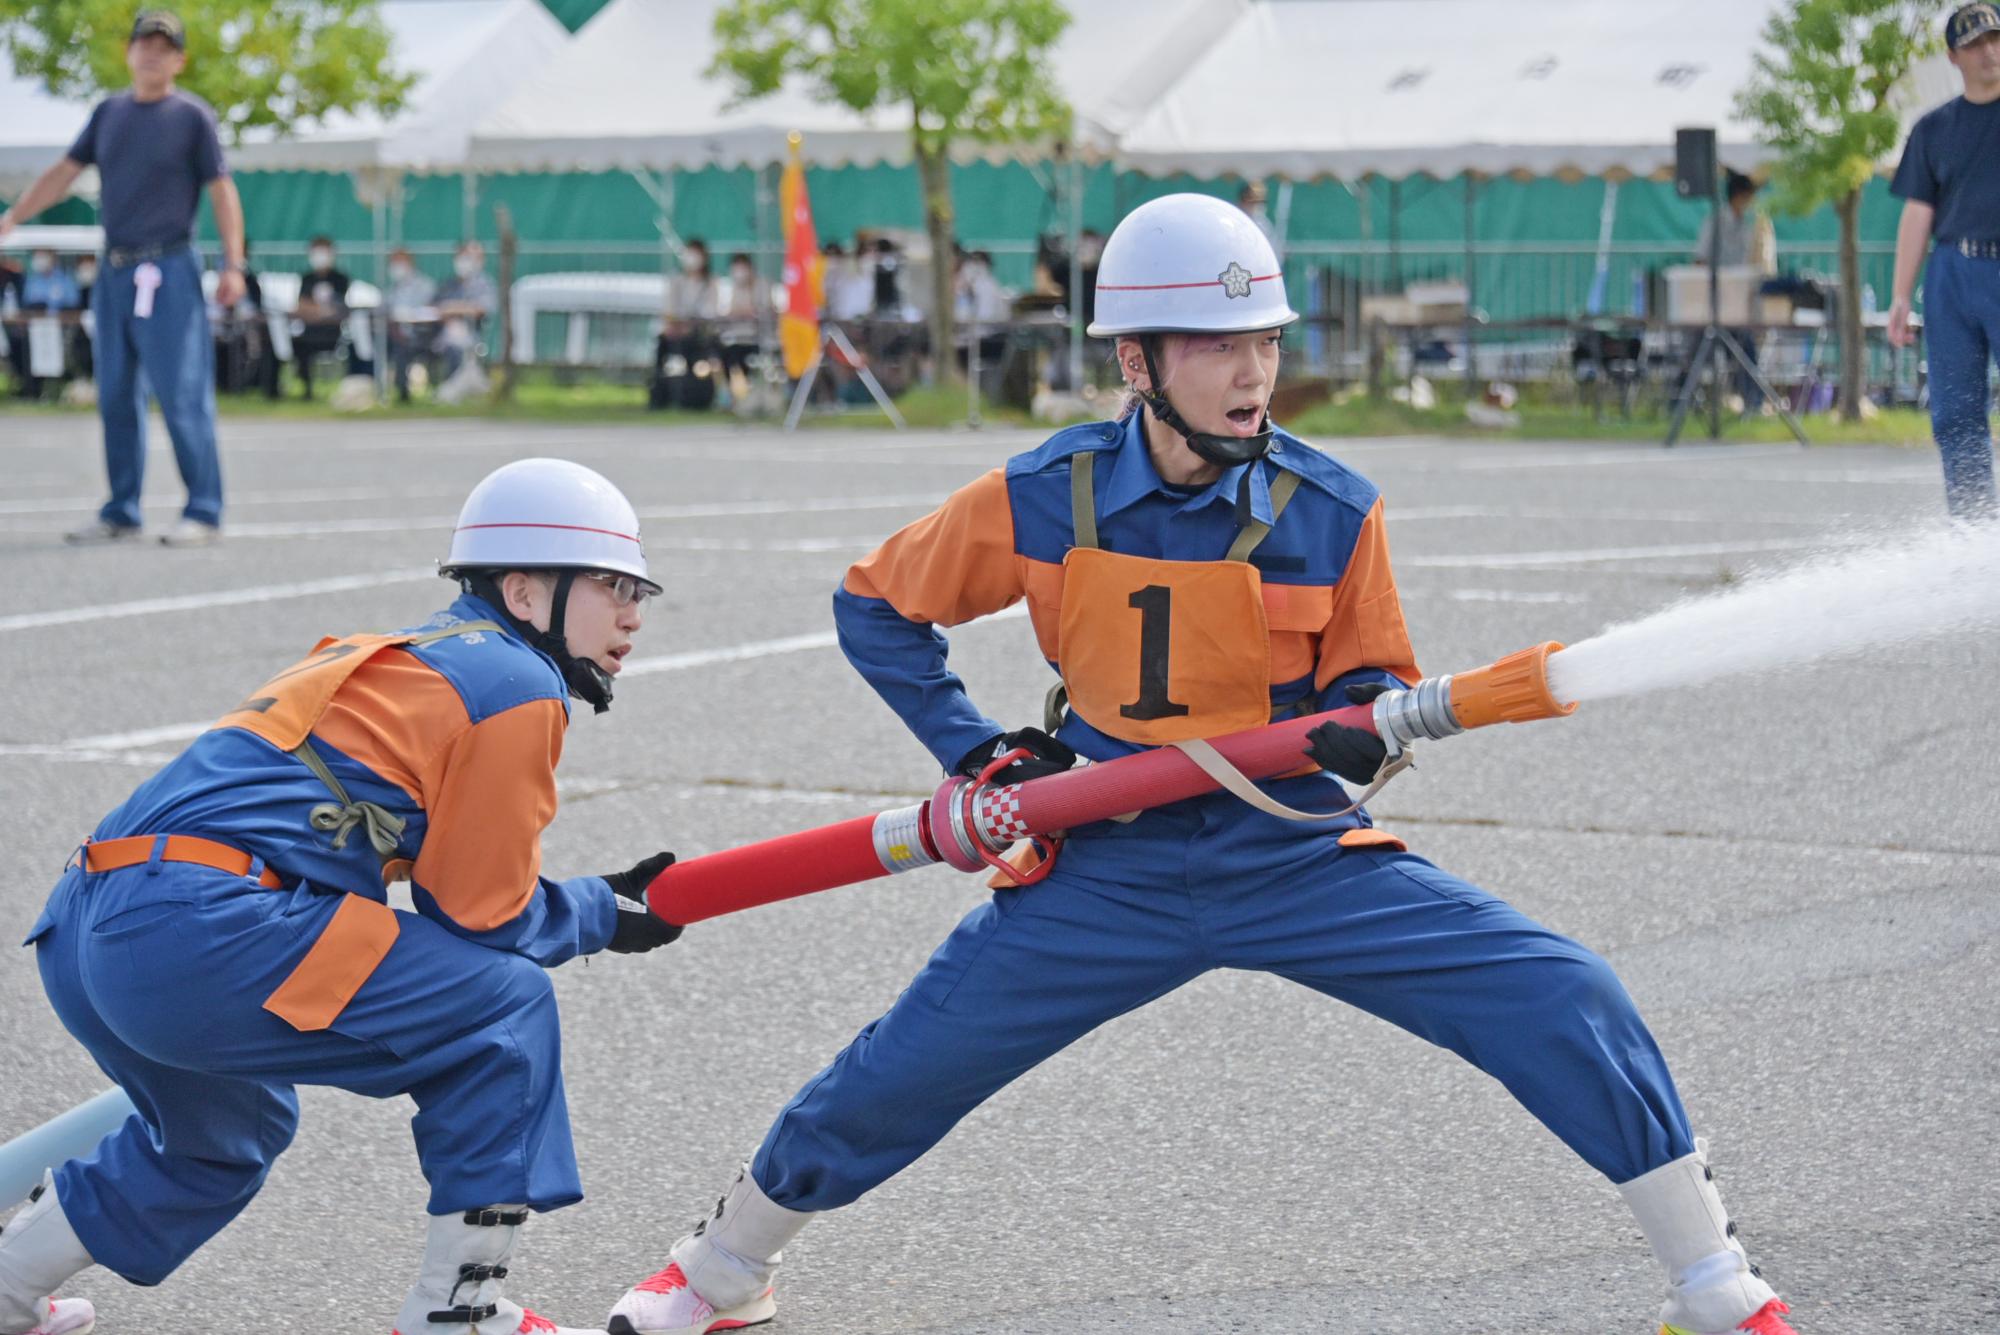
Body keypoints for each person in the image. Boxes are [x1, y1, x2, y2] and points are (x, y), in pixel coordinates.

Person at [605, 193, 1802, 1335]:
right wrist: (977, 754)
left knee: (1563, 994)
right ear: (1136, 363)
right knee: (901, 1070)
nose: (1252, 374)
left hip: (1287, 852)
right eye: (1217, 346)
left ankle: (1711, 1280)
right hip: (1100, 863)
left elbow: (1372, 686)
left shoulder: (1332, 508)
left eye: (1264, 344)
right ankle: (724, 1270)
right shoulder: (1045, 493)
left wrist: (1356, 725)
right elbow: (872, 602)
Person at [0, 458, 686, 1335]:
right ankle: (460, 1311)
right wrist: (598, 911)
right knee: (504, 1011)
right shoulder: (516, 681)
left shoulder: (412, 657)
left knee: (225, 1137)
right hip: (196, 928)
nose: (633, 612)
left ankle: (9, 1288)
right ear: (523, 592)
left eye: (640, 591)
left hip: (88, 919)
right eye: (613, 584)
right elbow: (482, 910)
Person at [0, 9, 245, 548]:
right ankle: (121, 510)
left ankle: (203, 508)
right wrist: (14, 218)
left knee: (181, 393)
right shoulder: (108, 113)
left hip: (169, 269)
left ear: (179, 59)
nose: (152, 52)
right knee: (114, 393)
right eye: (144, 43)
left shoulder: (192, 117)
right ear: (129, 52)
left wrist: (233, 263)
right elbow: (64, 172)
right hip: (114, 270)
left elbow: (222, 190)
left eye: (164, 46)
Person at [1888, 0, 2000, 521]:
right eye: (1976, 44)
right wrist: (1898, 296)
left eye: (1996, 40)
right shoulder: (1933, 128)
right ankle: (1975, 534)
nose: (1990, 52)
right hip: (1952, 275)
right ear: (1953, 56)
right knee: (1956, 415)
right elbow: (1917, 212)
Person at [1691, 171, 1779, 412]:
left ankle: (1752, 400)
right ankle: (1683, 400)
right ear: (1739, 196)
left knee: (1744, 350)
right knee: (1699, 352)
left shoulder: (1747, 225)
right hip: (1712, 301)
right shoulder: (1716, 221)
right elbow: (1700, 259)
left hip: (1736, 302)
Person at [290, 235, 356, 400]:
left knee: (354, 347)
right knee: (296, 345)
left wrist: (315, 309)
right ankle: (307, 390)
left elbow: (338, 307)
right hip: (310, 331)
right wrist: (320, 310)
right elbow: (301, 306)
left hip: (332, 332)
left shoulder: (340, 278)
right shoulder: (307, 278)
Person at [433, 240, 497, 391]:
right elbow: (436, 306)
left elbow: (481, 309)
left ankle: (451, 388)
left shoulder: (484, 284)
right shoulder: (449, 284)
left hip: (472, 334)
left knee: (455, 346)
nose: (465, 262)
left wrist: (452, 308)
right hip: (440, 332)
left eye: (470, 257)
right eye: (462, 257)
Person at [384, 247, 438, 403]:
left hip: (422, 333)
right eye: (394, 262)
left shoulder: (425, 285)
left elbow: (431, 310)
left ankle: (404, 391)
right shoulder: (392, 289)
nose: (397, 267)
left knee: (403, 348)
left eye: (400, 262)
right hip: (396, 333)